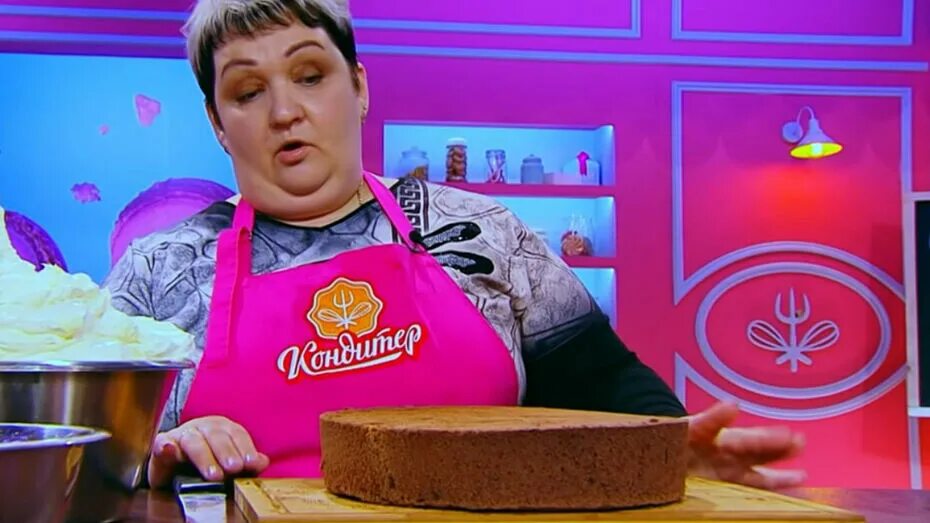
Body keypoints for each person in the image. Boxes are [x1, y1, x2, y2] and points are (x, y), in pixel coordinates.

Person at [103, 0, 806, 491]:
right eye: (248, 91)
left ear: (358, 87)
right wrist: (158, 457)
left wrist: (669, 457)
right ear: (218, 123)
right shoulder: (159, 271)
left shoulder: (486, 231)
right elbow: (91, 467)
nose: (285, 111)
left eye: (310, 76)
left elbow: (610, 390)